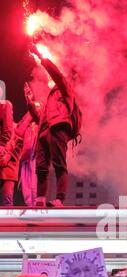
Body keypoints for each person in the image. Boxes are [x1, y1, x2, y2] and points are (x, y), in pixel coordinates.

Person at [29, 44, 77, 207]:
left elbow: (57, 74)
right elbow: (38, 118)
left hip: (58, 127)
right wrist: (29, 103)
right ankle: (40, 200)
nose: (49, 78)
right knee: (41, 168)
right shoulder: (50, 98)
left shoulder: (65, 88)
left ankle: (59, 199)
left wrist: (41, 57)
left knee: (59, 163)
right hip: (44, 131)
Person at [0, 99, 14, 205]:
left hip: (5, 153)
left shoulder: (5, 105)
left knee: (7, 198)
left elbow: (7, 130)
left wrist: (2, 147)